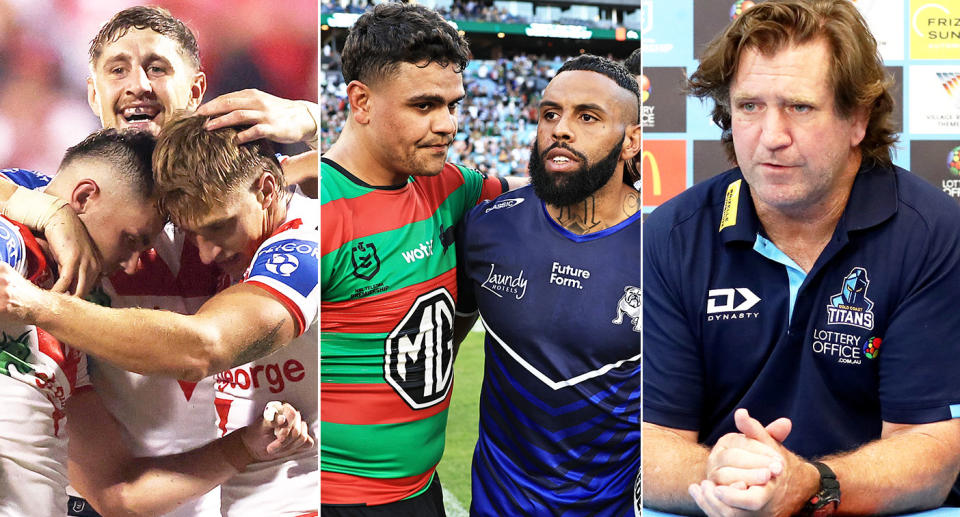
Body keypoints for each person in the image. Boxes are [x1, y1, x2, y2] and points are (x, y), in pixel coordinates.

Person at [642, 1, 960, 515]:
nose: (771, 136)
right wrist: (727, 479)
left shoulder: (932, 232)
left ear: (857, 118)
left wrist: (809, 486)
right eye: (749, 106)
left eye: (799, 106)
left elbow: (931, 454)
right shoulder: (672, 235)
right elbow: (651, 443)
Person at [0, 6, 320, 516]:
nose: (138, 84)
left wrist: (313, 117)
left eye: (157, 67)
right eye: (117, 69)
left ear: (196, 91)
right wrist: (43, 208)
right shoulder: (67, 203)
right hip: (107, 494)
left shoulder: (248, 195)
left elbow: (368, 170)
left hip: (227, 494)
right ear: (91, 93)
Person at [319, 3, 520, 514]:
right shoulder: (320, 210)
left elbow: (537, 199)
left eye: (453, 104)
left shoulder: (448, 185)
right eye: (424, 105)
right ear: (360, 102)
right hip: (339, 498)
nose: (447, 125)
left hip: (421, 490)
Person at [455, 54, 641, 516]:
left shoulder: (668, 247)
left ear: (631, 141)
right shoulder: (486, 227)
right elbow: (444, 346)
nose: (560, 128)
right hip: (497, 506)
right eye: (550, 113)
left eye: (588, 117)